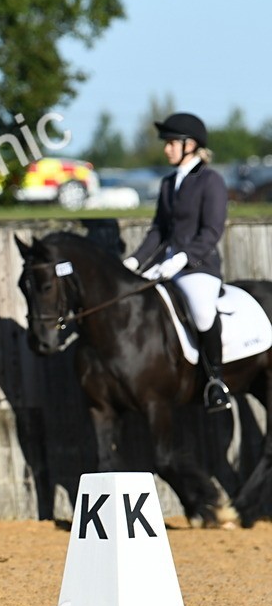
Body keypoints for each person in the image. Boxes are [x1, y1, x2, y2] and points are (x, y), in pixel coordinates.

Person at [122, 112, 232, 412]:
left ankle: (215, 382)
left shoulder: (211, 181)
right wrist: (133, 262)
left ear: (190, 145)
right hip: (165, 266)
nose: (166, 149)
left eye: (171, 143)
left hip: (199, 267)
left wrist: (183, 258)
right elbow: (158, 231)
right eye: (167, 143)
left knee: (201, 311)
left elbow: (211, 230)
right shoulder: (169, 184)